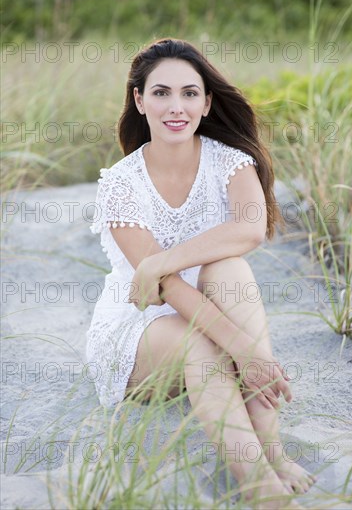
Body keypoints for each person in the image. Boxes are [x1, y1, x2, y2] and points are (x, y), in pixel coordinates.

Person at [87, 38, 317, 508]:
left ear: (207, 102)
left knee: (229, 266)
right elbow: (165, 291)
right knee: (200, 340)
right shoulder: (120, 185)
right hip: (143, 331)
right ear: (139, 99)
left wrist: (161, 259)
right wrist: (246, 351)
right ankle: (262, 489)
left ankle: (273, 452)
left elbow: (251, 228)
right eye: (162, 93)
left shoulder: (229, 162)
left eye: (190, 93)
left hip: (214, 308)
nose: (177, 106)